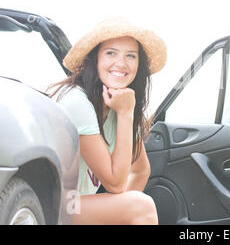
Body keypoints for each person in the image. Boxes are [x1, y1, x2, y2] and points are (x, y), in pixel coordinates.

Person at [47, 17, 166, 225]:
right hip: (48, 203)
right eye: (111, 53)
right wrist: (126, 114)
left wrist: (117, 213)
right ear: (96, 58)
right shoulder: (77, 101)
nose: (121, 63)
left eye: (131, 56)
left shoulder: (118, 105)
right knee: (141, 207)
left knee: (136, 206)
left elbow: (140, 170)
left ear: (139, 65)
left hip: (75, 206)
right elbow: (115, 183)